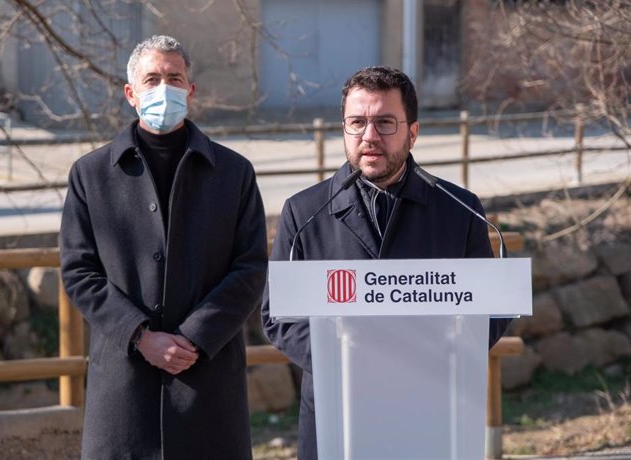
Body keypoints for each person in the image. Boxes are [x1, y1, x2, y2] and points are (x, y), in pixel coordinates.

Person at [261, 66, 511, 459]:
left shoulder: (460, 210)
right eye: (357, 123)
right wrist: (349, 361)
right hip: (336, 410)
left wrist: (419, 357)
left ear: (412, 133)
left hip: (430, 405)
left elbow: (490, 312)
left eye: (384, 123)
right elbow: (278, 317)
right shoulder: (303, 211)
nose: (369, 137)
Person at [60, 35, 267, 459]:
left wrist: (193, 337)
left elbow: (250, 267)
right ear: (131, 94)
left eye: (174, 77)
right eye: (151, 78)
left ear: (190, 90)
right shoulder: (91, 174)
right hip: (125, 384)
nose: (163, 88)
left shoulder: (234, 173)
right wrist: (141, 336)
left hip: (206, 379)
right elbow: (79, 270)